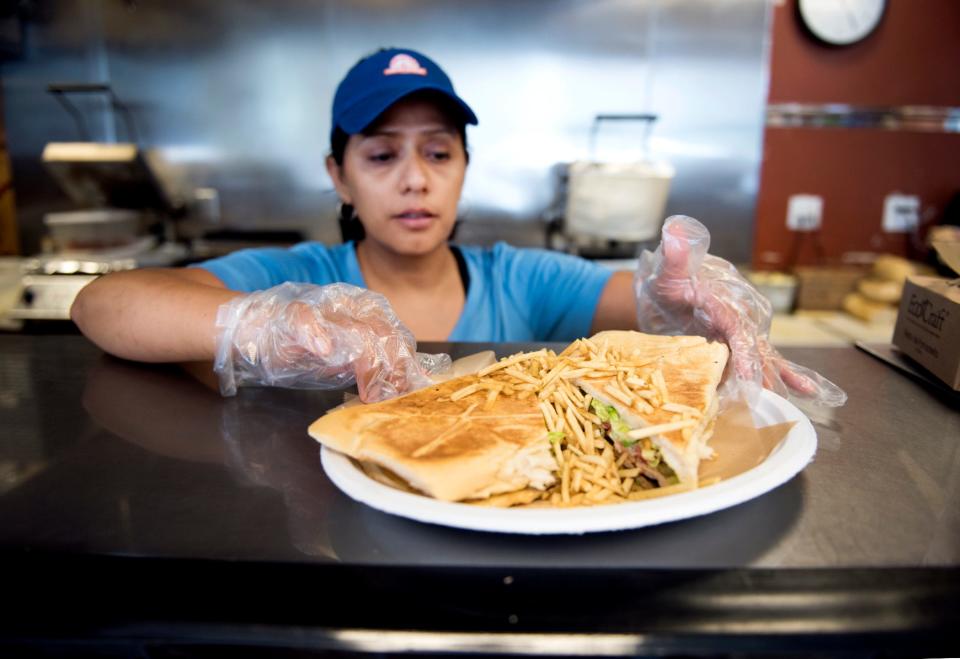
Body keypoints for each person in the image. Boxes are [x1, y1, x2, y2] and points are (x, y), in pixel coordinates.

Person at [71, 48, 844, 407]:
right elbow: (103, 304)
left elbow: (639, 303)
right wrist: (268, 323)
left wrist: (679, 294)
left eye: (439, 152)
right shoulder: (300, 276)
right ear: (338, 174)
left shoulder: (520, 281)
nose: (415, 178)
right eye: (381, 155)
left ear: (465, 167)